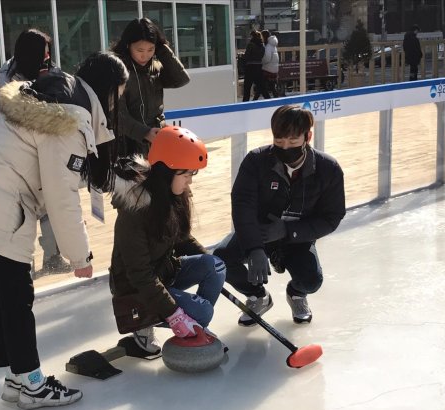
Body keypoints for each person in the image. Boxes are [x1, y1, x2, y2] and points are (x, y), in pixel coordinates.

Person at [0, 52, 129, 409]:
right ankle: (33, 385)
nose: (116, 102)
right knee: (17, 299)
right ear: (105, 89)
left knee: (4, 297)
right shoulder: (69, 117)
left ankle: (17, 378)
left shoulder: (51, 94)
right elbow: (61, 195)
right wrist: (79, 255)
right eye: (117, 94)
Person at [213, 105, 345, 326]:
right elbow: (242, 204)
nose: (285, 147)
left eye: (293, 142)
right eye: (279, 141)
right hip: (259, 233)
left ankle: (296, 294)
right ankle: (258, 296)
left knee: (312, 280)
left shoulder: (328, 169)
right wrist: (254, 246)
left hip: (296, 238)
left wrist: (288, 230)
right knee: (222, 260)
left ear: (307, 136)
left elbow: (332, 217)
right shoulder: (256, 161)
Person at [109, 126, 226, 353]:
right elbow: (139, 274)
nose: (189, 182)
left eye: (193, 173)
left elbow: (180, 237)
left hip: (164, 271)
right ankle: (150, 322)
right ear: (166, 170)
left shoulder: (171, 194)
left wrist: (205, 258)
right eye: (186, 174)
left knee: (216, 266)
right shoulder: (134, 211)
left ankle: (193, 324)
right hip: (135, 288)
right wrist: (174, 314)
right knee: (203, 312)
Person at [0, 28, 70, 274]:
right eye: (43, 53)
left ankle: (52, 258)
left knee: (49, 207)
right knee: (21, 212)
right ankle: (24, 263)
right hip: (15, 155)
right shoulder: (9, 82)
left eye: (48, 52)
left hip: (40, 152)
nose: (47, 57)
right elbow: (4, 118)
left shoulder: (42, 71)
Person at [112, 17, 190, 157]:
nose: (145, 55)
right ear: (128, 45)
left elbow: (181, 79)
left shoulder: (155, 68)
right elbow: (117, 114)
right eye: (140, 50)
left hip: (157, 140)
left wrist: (163, 50)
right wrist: (145, 133)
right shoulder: (117, 71)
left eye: (151, 49)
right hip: (126, 146)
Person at [242, 30, 270, 102]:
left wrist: (242, 57)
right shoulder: (262, 45)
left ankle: (245, 103)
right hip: (259, 67)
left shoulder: (251, 44)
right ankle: (269, 101)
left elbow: (246, 56)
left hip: (250, 67)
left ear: (252, 36)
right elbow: (262, 56)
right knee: (262, 87)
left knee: (247, 87)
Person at [261, 30, 280, 98]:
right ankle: (276, 99)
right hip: (274, 69)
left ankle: (268, 100)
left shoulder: (268, 46)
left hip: (268, 69)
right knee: (272, 87)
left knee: (262, 86)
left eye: (261, 36)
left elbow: (267, 59)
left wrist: (261, 62)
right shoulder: (273, 46)